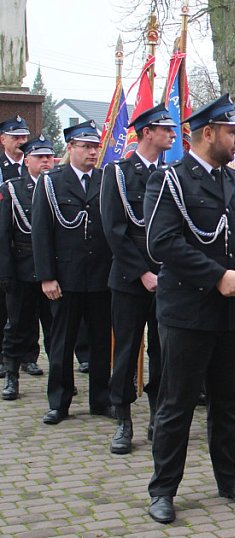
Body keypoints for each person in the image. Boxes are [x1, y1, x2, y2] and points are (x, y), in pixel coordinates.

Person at [143, 94, 235, 524]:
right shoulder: (170, 181)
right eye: (232, 132)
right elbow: (162, 242)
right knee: (177, 404)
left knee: (228, 401)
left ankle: (230, 478)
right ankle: (163, 489)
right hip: (187, 312)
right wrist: (218, 276)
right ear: (208, 133)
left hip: (231, 313)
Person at [101, 104, 177, 455]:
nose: (173, 134)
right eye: (166, 129)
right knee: (126, 350)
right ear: (148, 132)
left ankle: (158, 415)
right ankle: (123, 417)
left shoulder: (170, 174)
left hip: (166, 278)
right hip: (130, 278)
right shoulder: (117, 173)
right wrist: (142, 272)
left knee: (163, 351)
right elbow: (114, 231)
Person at [31, 120, 114, 425]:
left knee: (101, 342)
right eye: (86, 146)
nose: (93, 152)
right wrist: (46, 276)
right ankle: (59, 401)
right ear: (70, 148)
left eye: (95, 147)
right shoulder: (52, 182)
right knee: (62, 343)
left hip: (101, 276)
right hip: (66, 278)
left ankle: (101, 399)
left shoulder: (105, 180)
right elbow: (41, 232)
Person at [0, 134, 55, 400]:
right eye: (39, 157)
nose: (45, 161)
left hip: (53, 271)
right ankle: (11, 377)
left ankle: (60, 379)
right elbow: (4, 235)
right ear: (27, 160)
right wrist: (6, 273)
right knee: (17, 326)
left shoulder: (58, 187)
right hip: (22, 268)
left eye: (49, 157)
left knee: (56, 329)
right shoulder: (13, 189)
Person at [0, 115, 30, 380]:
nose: (21, 141)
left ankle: (29, 357)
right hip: (4, 243)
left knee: (30, 308)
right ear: (3, 140)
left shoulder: (32, 165)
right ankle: (3, 358)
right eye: (16, 137)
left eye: (24, 136)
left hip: (25, 248)